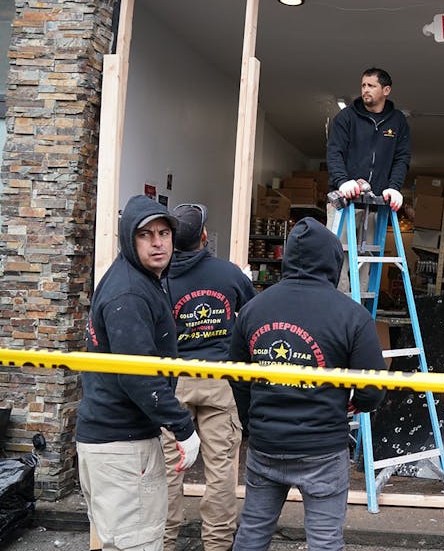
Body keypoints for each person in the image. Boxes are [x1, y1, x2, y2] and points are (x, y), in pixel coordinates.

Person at [229, 217, 387, 551]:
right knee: (325, 541)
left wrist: (252, 423)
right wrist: (358, 403)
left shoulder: (253, 309)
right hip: (322, 448)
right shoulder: (352, 315)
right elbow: (373, 387)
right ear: (333, 261)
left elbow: (237, 377)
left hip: (266, 444)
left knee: (253, 533)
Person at [76, 195, 200, 551]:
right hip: (121, 448)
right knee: (136, 544)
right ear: (129, 239)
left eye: (164, 233)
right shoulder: (129, 293)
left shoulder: (140, 280)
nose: (158, 242)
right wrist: (183, 427)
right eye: (146, 235)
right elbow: (138, 374)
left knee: (118, 542)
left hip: (112, 441)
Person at [162, 203, 257, 551]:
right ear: (204, 237)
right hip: (220, 381)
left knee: (171, 468)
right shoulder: (228, 274)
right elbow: (252, 316)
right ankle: (217, 545)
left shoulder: (161, 275)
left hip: (175, 382)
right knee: (221, 469)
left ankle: (164, 541)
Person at [327, 67, 410, 215]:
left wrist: (394, 188)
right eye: (363, 85)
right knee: (337, 240)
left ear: (386, 90)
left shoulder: (398, 121)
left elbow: (401, 158)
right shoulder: (346, 117)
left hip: (377, 204)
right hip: (344, 200)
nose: (365, 89)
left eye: (371, 86)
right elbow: (334, 152)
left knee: (374, 240)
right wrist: (342, 181)